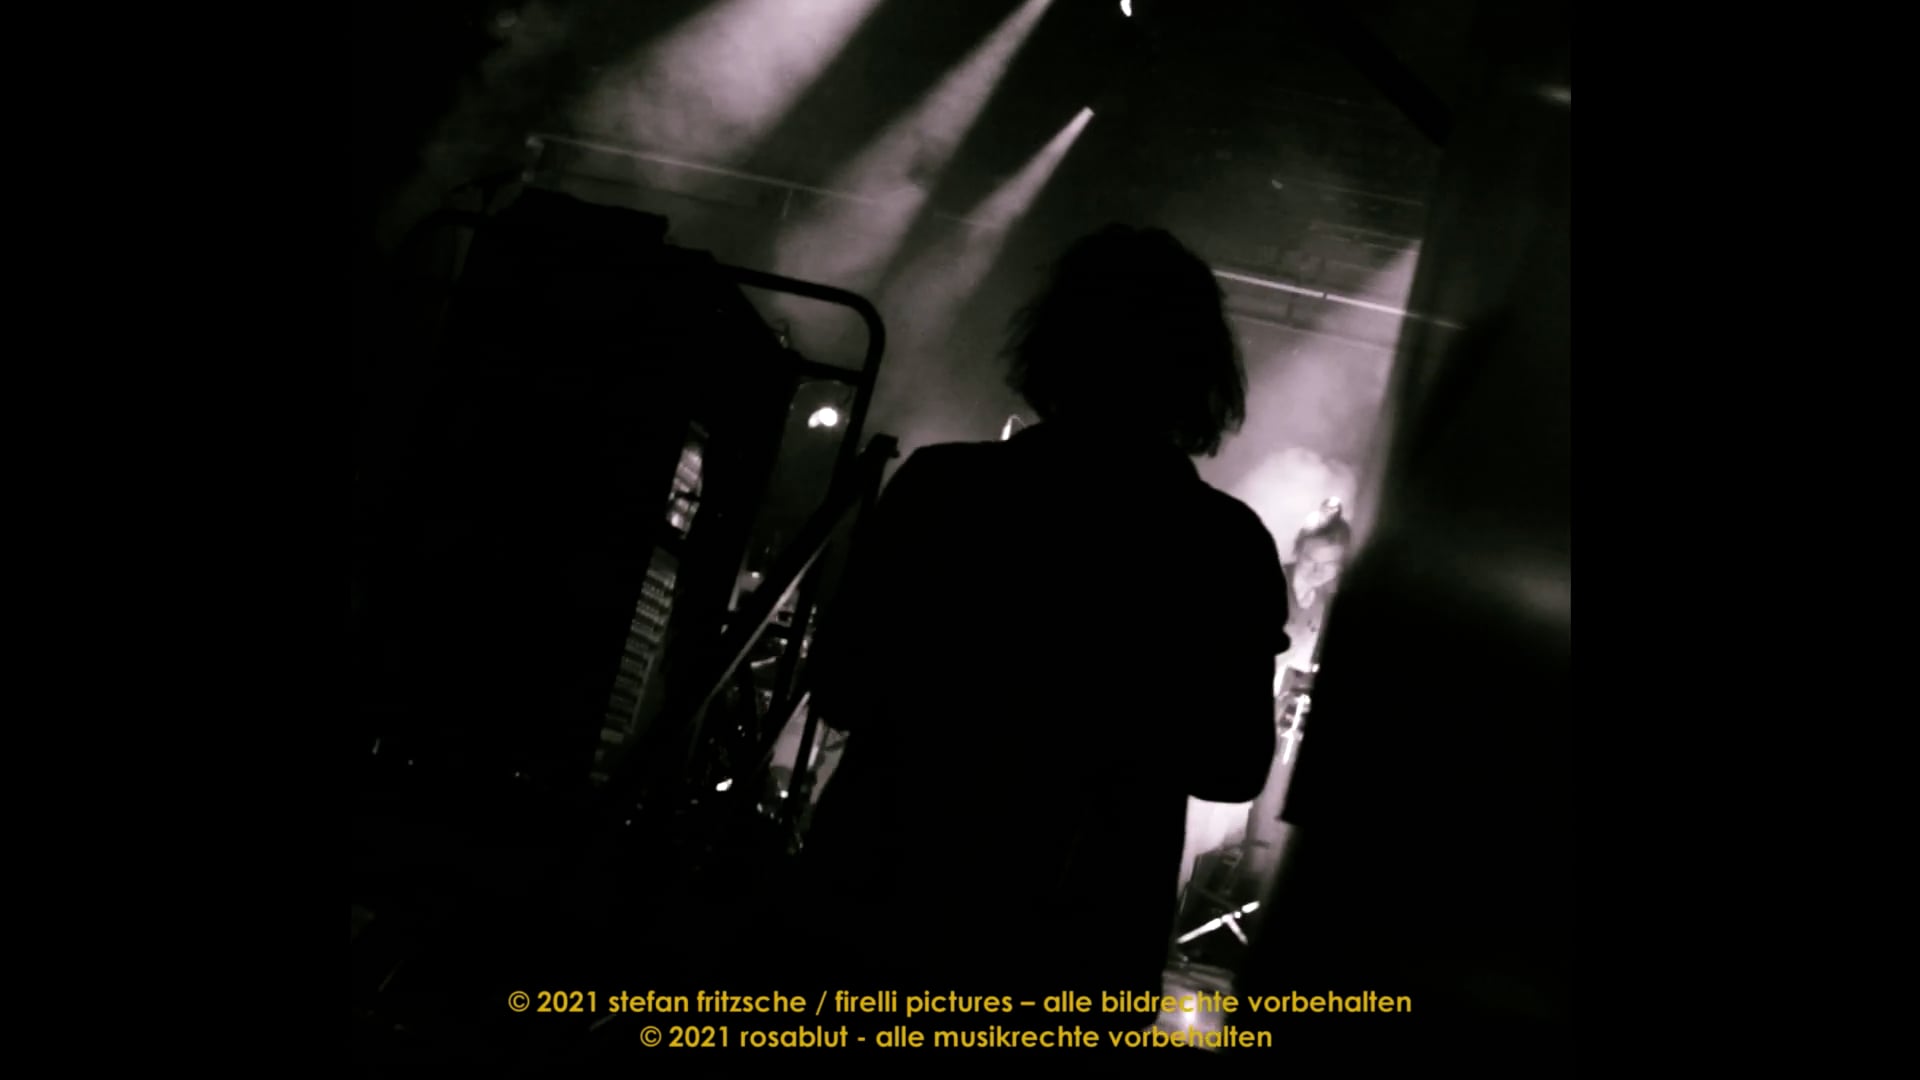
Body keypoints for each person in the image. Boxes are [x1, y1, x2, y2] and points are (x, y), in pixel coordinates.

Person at [792, 226, 1290, 1020]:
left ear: (1058, 344)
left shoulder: (943, 488)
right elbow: (1232, 765)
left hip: (884, 902)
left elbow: (841, 686)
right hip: (1079, 941)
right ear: (1197, 370)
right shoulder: (1226, 544)